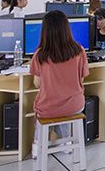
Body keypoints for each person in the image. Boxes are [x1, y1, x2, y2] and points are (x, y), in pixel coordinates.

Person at [29, 10, 89, 144]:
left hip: (48, 108)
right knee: (64, 106)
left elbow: (37, 84)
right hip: (76, 105)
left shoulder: (40, 55)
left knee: (46, 106)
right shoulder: (80, 51)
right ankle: (66, 142)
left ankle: (38, 145)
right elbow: (81, 80)